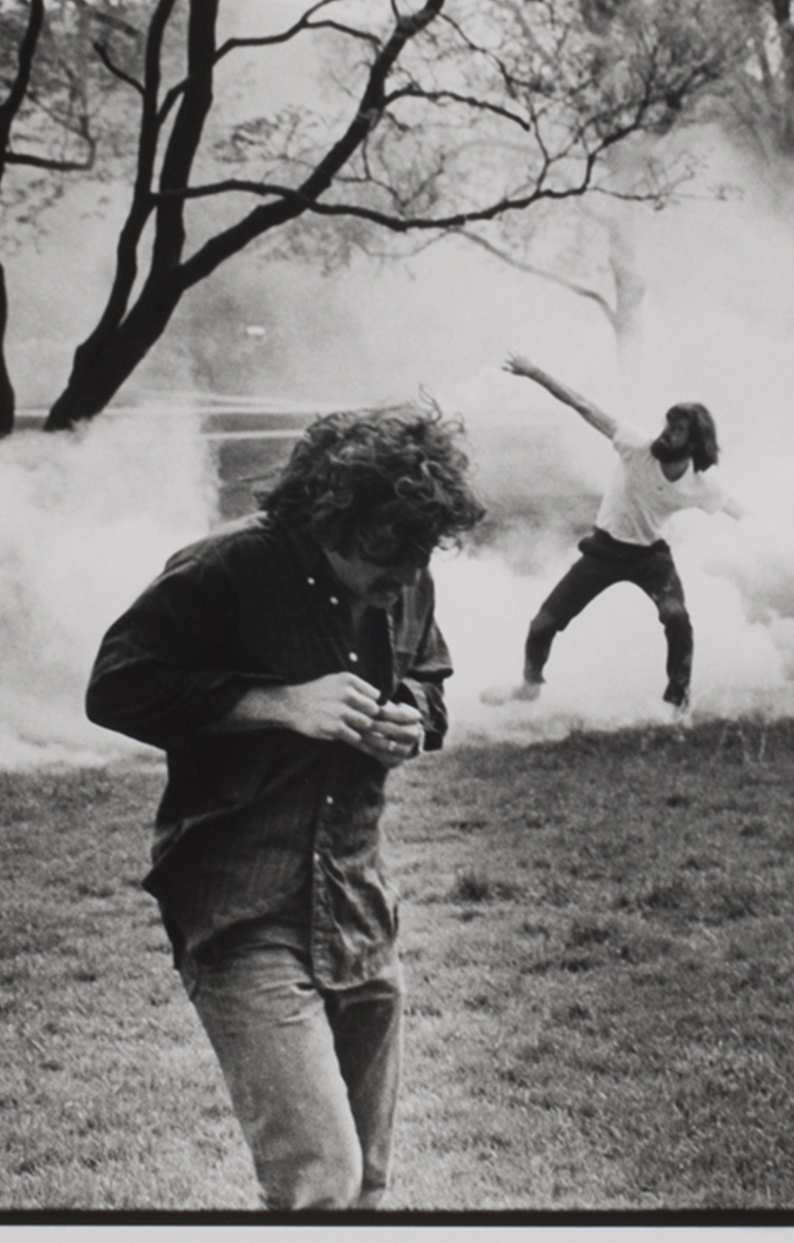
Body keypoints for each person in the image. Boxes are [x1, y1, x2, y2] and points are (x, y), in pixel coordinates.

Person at [85, 405, 485, 1210]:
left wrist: (414, 717)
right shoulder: (225, 570)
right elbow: (116, 687)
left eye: (422, 551)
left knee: (367, 1186)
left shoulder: (407, 579)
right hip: (241, 904)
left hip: (358, 906)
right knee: (322, 1186)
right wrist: (278, 704)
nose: (407, 574)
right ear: (332, 513)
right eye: (389, 548)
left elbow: (432, 682)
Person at [502, 352, 742, 712]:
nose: (667, 433)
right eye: (668, 424)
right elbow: (583, 405)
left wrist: (780, 541)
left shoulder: (702, 483)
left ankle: (677, 701)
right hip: (604, 551)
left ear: (694, 443)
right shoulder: (636, 446)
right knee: (542, 624)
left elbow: (736, 510)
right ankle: (529, 684)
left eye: (678, 431)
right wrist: (535, 372)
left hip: (651, 557)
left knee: (677, 618)